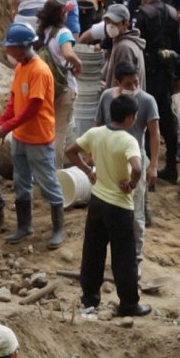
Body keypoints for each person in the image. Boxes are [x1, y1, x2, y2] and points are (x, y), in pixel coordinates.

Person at [68, 94, 147, 317]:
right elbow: (138, 167)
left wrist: (88, 171)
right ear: (131, 117)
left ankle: (90, 300)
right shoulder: (128, 140)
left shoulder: (96, 133)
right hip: (119, 206)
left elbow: (70, 151)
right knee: (124, 258)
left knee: (92, 252)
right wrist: (131, 184)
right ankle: (129, 305)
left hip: (97, 202)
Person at [0, 23, 65, 245]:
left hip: (39, 137)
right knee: (21, 181)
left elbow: (33, 108)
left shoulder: (39, 71)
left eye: (10, 48)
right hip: (21, 137)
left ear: (22, 47)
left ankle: (58, 228)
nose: (7, 52)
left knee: (48, 181)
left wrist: (7, 127)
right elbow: (15, 102)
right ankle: (24, 226)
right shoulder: (20, 69)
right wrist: (2, 124)